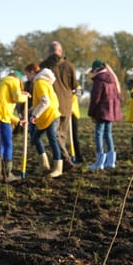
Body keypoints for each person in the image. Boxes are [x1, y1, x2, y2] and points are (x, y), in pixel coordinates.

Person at [0, 70, 29, 182]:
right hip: (0, 115)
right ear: (18, 80)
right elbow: (18, 98)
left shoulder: (0, 83)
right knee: (8, 143)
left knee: (1, 142)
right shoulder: (13, 81)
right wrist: (26, 96)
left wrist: (18, 121)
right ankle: (7, 174)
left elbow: (6, 110)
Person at [40, 41, 79, 169]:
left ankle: (64, 159)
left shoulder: (44, 67)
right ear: (61, 52)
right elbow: (74, 85)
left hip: (52, 105)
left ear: (49, 52)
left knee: (54, 135)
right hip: (67, 105)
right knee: (61, 134)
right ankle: (61, 160)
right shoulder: (69, 66)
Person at [24, 62, 63, 178]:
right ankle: (44, 165)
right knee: (36, 138)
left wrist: (34, 115)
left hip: (50, 115)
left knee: (52, 140)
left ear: (32, 72)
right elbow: (40, 101)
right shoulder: (42, 81)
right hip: (46, 115)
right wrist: (31, 110)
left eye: (27, 75)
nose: (27, 78)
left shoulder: (39, 82)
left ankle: (58, 168)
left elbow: (45, 102)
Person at [87, 60, 122, 170]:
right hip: (111, 111)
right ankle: (111, 162)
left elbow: (95, 98)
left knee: (99, 134)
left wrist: (91, 113)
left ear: (97, 69)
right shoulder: (112, 79)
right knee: (108, 134)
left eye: (93, 70)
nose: (93, 73)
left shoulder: (99, 80)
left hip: (101, 111)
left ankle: (99, 162)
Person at [70, 85, 84, 163]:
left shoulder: (74, 84)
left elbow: (80, 92)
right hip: (62, 112)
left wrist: (74, 91)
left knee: (74, 136)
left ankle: (78, 156)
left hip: (73, 113)